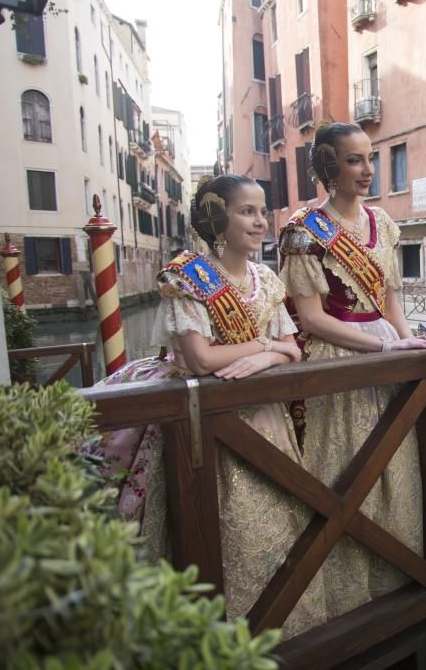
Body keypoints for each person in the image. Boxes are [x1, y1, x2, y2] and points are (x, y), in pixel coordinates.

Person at [95, 174, 327, 637]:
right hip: (198, 421)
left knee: (276, 527)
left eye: (263, 211)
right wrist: (268, 346)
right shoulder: (187, 277)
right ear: (217, 217)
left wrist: (270, 351)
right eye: (247, 211)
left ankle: (280, 631)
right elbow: (201, 358)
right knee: (213, 532)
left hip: (264, 420)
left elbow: (294, 347)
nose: (261, 221)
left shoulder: (266, 278)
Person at [278, 122, 426, 616]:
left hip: (386, 352)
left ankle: (396, 581)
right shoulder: (303, 231)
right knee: (344, 470)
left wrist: (406, 339)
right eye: (353, 160)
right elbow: (310, 318)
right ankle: (343, 597)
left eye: (370, 158)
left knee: (394, 465)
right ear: (328, 167)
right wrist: (379, 350)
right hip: (338, 361)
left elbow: (391, 298)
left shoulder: (384, 223)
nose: (367, 169)